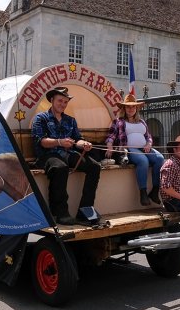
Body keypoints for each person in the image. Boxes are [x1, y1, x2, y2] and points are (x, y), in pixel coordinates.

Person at [31, 86, 101, 225]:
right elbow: (41, 142)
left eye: (65, 102)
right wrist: (59, 142)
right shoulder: (41, 118)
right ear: (52, 100)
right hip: (47, 155)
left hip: (68, 154)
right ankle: (60, 213)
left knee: (94, 166)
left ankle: (85, 211)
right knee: (60, 168)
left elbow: (77, 139)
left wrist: (83, 144)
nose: (63, 104)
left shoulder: (71, 120)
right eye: (60, 101)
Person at [104, 93, 163, 206]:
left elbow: (148, 136)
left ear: (136, 108)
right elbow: (110, 136)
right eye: (128, 106)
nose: (131, 109)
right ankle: (143, 193)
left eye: (133, 106)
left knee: (160, 158)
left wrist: (148, 144)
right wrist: (110, 147)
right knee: (143, 161)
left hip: (144, 148)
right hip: (129, 149)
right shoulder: (118, 121)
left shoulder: (142, 122)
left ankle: (155, 191)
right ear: (124, 108)